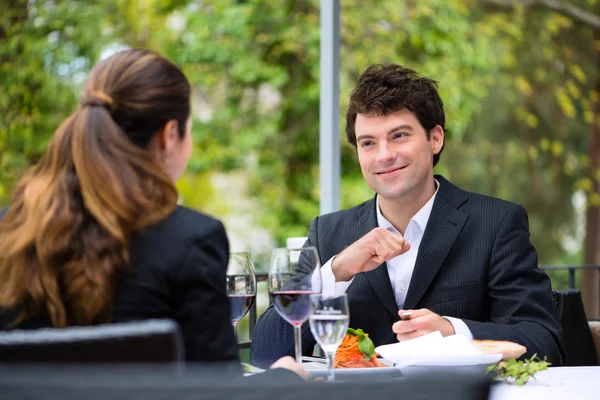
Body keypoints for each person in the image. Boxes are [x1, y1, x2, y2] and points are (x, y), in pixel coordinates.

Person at [0, 49, 305, 379]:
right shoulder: (190, 241)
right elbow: (219, 394)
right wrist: (286, 378)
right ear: (170, 135)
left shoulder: (9, 232)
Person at [251, 64, 563, 368]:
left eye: (399, 135)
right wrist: (336, 271)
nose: (384, 155)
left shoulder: (496, 222)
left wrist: (454, 332)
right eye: (368, 143)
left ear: (435, 138)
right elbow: (266, 352)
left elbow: (543, 341)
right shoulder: (328, 231)